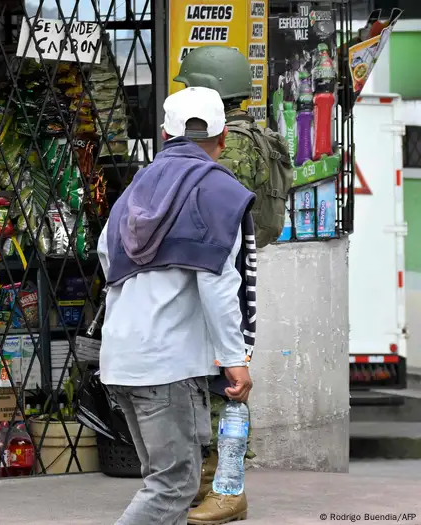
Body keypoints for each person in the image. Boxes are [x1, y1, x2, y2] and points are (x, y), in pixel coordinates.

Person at [98, 86, 256, 525]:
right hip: (165, 364)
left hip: (121, 355)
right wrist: (234, 358)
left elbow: (107, 258)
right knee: (174, 485)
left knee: (162, 479)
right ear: (223, 138)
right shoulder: (217, 191)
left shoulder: (136, 188)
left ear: (165, 134)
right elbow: (218, 282)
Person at [176, 45, 287, 524]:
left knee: (229, 379)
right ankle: (208, 478)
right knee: (212, 375)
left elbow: (214, 207)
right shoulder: (254, 132)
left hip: (227, 267)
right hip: (231, 264)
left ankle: (228, 487)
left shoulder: (234, 143)